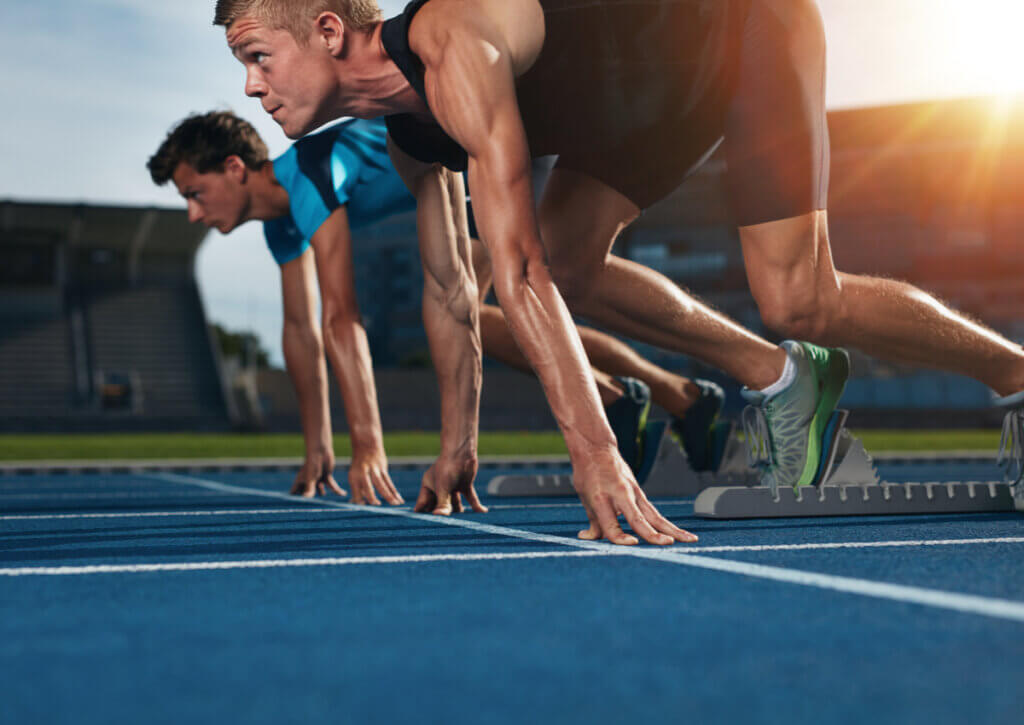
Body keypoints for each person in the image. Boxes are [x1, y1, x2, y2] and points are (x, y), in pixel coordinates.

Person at [212, 0, 1024, 539]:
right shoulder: (411, 135)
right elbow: (454, 291)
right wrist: (458, 444)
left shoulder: (453, 42)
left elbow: (515, 262)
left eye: (257, 56)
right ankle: (786, 384)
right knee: (568, 262)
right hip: (641, 105)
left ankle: (1014, 373)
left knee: (799, 295)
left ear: (325, 29)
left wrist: (592, 448)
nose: (250, 86)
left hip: (737, 29)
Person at [147, 111, 725, 511]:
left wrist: (368, 445)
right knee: (485, 317)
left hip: (477, 160)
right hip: (453, 190)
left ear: (233, 168)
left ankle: (653, 394)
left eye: (193, 194)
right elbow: (300, 331)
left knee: (483, 308)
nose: (193, 214)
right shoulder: (281, 226)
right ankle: (660, 395)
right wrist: (318, 447)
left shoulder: (310, 175)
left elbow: (342, 317)